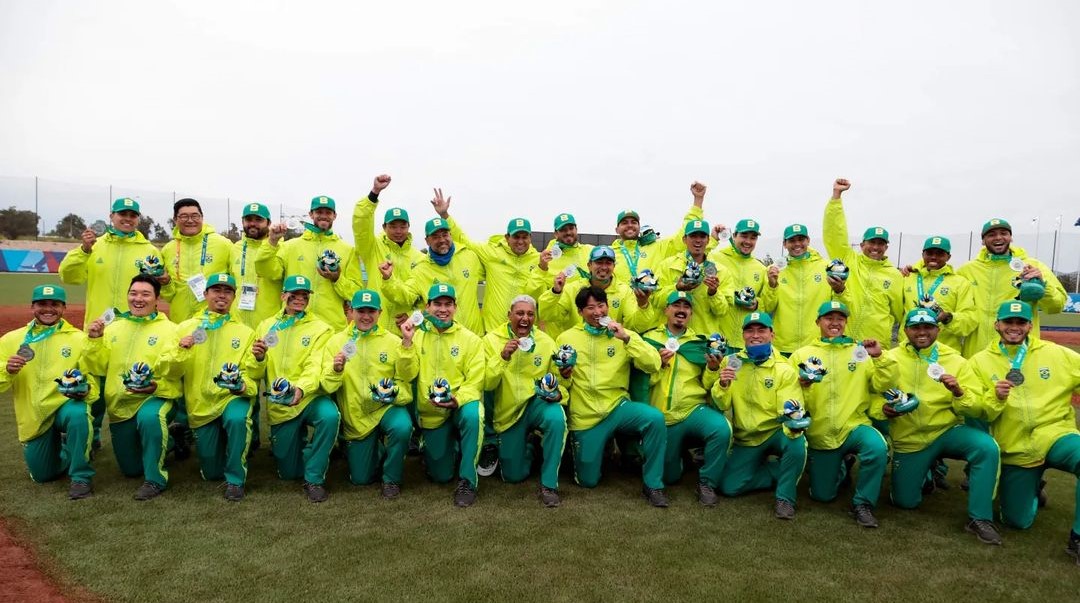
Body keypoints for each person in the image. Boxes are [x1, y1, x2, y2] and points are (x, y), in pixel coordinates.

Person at [871, 307, 1003, 544]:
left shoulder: (956, 360)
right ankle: (926, 472)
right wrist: (882, 408)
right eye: (916, 327)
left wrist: (959, 393)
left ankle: (980, 518)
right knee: (904, 503)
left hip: (947, 431)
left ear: (937, 329)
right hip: (910, 438)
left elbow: (977, 407)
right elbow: (872, 396)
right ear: (906, 330)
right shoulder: (889, 358)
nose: (922, 333)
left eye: (928, 327)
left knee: (986, 447)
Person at [968, 301, 1080, 561]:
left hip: (1056, 433)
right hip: (1015, 446)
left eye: (1021, 323)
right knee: (1016, 521)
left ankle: (1077, 538)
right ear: (997, 324)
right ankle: (1033, 488)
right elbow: (975, 409)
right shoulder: (979, 362)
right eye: (1008, 322)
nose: (1014, 328)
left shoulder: (1056, 353)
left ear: (1030, 325)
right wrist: (994, 397)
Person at [58, 197, 171, 448]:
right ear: (112, 216)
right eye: (122, 214)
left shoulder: (149, 250)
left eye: (132, 215)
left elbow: (160, 286)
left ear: (138, 219)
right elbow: (69, 276)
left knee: (136, 381)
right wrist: (83, 250)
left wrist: (165, 280)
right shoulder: (94, 246)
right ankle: (93, 436)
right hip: (100, 328)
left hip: (136, 328)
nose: (127, 218)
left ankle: (143, 433)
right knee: (94, 385)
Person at [556, 286, 668, 507]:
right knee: (588, 481)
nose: (597, 311)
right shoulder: (566, 338)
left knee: (655, 419)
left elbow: (654, 363)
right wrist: (564, 375)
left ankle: (653, 484)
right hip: (586, 416)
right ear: (580, 312)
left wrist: (626, 338)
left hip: (618, 407)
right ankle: (593, 448)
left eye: (600, 305)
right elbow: (559, 383)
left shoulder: (622, 333)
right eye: (590, 307)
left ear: (608, 306)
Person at [83, 274, 184, 500]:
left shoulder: (171, 330)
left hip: (156, 396)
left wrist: (156, 387)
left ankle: (155, 480)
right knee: (131, 470)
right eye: (134, 293)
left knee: (150, 419)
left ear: (157, 299)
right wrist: (95, 341)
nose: (138, 299)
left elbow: (175, 372)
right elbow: (97, 367)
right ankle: (173, 439)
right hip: (120, 403)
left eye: (146, 294)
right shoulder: (113, 328)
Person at [789, 301, 889, 528]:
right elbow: (789, 395)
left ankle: (863, 504)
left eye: (840, 318)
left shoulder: (860, 352)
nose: (835, 323)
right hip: (820, 432)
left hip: (854, 425)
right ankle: (841, 468)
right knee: (822, 496)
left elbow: (881, 385)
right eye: (828, 318)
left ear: (846, 322)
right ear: (817, 322)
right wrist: (801, 386)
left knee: (877, 447)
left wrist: (879, 358)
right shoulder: (801, 355)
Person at [247, 275, 338, 502]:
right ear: (282, 296)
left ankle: (314, 478)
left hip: (309, 397)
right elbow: (256, 372)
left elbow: (315, 366)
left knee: (329, 415)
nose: (299, 300)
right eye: (294, 295)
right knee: (289, 473)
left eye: (304, 296)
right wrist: (258, 359)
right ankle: (304, 451)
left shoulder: (321, 328)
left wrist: (301, 389)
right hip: (280, 404)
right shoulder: (266, 326)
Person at [0, 285, 96, 499]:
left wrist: (86, 391)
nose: (48, 309)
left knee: (79, 413)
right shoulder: (11, 340)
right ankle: (64, 448)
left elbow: (90, 378)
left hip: (65, 406)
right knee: (43, 475)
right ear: (32, 306)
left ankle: (81, 478)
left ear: (64, 308)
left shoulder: (79, 339)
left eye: (55, 304)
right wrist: (6, 370)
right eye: (42, 304)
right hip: (34, 415)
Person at [710, 311, 808, 520]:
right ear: (743, 335)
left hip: (775, 431)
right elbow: (721, 403)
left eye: (761, 330)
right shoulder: (731, 360)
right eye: (750, 331)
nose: (755, 335)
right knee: (728, 486)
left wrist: (791, 419)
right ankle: (777, 471)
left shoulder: (784, 369)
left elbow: (789, 406)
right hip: (746, 437)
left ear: (772, 334)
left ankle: (785, 498)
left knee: (796, 441)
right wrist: (723, 384)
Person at [322, 289, 419, 499]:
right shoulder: (335, 342)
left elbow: (407, 377)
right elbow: (327, 386)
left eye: (371, 311)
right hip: (357, 416)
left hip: (386, 409)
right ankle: (375, 451)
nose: (366, 316)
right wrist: (336, 370)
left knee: (402, 426)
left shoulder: (393, 341)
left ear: (380, 312)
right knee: (360, 479)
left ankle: (391, 479)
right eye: (361, 311)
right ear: (351, 311)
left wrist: (408, 344)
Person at [642, 291, 731, 506]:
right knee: (671, 477)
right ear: (666, 310)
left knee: (721, 428)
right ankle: (678, 457)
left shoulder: (699, 344)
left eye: (686, 307)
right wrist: (659, 365)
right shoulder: (649, 340)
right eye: (676, 305)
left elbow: (708, 385)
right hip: (662, 416)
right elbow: (640, 382)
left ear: (690, 314)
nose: (681, 310)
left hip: (692, 409)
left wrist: (712, 368)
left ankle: (707, 483)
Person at [174, 273, 258, 501]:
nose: (222, 295)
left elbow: (252, 373)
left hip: (232, 397)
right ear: (205, 294)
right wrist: (181, 349)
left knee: (237, 419)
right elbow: (170, 371)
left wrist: (243, 387)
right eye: (216, 290)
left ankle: (235, 479)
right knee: (211, 473)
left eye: (227, 291)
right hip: (200, 403)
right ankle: (220, 453)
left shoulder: (245, 332)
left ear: (233, 296)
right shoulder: (185, 328)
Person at [481, 295, 568, 507]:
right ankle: (530, 446)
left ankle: (549, 485)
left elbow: (559, 381)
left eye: (530, 314)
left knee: (557, 417)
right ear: (508, 315)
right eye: (519, 313)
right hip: (509, 412)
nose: (525, 318)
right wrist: (502, 357)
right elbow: (487, 384)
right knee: (512, 476)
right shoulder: (491, 340)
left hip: (537, 402)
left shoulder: (546, 342)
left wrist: (560, 394)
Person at [411, 283, 486, 507]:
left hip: (459, 404)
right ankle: (440, 447)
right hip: (431, 410)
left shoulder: (470, 339)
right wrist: (405, 342)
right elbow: (406, 373)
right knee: (440, 476)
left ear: (455, 307)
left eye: (448, 304)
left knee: (475, 414)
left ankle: (467, 480)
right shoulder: (416, 335)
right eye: (437, 304)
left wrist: (458, 400)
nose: (442, 309)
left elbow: (476, 380)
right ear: (428, 307)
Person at [431, 191, 548, 334]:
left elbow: (544, 298)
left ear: (530, 237)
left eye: (525, 237)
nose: (520, 241)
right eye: (516, 237)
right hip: (493, 331)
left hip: (524, 330)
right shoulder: (492, 252)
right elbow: (464, 240)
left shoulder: (539, 260)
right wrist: (445, 215)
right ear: (507, 237)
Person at [958, 218, 1068, 358]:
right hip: (978, 353)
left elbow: (1056, 307)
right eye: (991, 234)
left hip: (1020, 352)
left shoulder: (1032, 266)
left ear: (1010, 237)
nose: (998, 237)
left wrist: (1043, 285)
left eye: (1003, 233)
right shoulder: (967, 270)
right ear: (983, 240)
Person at [255, 196, 364, 331]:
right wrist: (271, 242)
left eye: (328, 213)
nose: (323, 216)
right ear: (311, 214)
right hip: (294, 325)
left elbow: (356, 294)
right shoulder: (290, 247)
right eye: (319, 212)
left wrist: (337, 279)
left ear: (335, 216)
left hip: (331, 327)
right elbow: (265, 271)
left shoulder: (347, 250)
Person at [822, 179, 904, 344]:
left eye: (880, 243)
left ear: (886, 247)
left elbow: (900, 314)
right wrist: (836, 197)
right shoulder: (848, 259)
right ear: (861, 245)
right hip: (844, 340)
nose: (875, 247)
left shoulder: (895, 276)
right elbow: (835, 232)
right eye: (871, 242)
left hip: (876, 345)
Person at [229, 202, 281, 454]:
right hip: (239, 327)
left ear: (268, 223)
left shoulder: (278, 248)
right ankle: (250, 439)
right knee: (244, 386)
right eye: (248, 219)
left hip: (271, 329)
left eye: (258, 220)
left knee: (274, 385)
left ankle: (279, 437)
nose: (253, 224)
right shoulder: (234, 249)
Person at [381, 215, 486, 336]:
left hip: (473, 336)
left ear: (450, 235)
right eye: (435, 236)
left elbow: (494, 274)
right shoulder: (421, 270)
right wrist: (388, 279)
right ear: (427, 241)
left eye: (444, 235)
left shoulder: (469, 257)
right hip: (441, 337)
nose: (441, 240)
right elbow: (405, 296)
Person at [352, 174, 427, 335]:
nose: (398, 231)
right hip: (375, 327)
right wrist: (374, 193)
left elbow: (423, 299)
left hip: (407, 331)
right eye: (393, 226)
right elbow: (361, 224)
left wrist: (413, 318)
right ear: (384, 227)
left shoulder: (421, 259)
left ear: (409, 227)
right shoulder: (372, 247)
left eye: (402, 226)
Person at [760, 224, 846, 356]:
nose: (797, 244)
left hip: (816, 344)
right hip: (783, 345)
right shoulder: (774, 270)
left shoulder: (826, 268)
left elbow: (839, 304)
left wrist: (840, 289)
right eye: (792, 241)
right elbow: (767, 307)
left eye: (801, 239)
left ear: (808, 240)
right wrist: (772, 286)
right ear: (784, 244)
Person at [539, 246, 661, 337]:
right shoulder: (572, 289)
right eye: (599, 262)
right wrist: (555, 292)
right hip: (579, 349)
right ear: (589, 265)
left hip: (611, 354)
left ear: (614, 266)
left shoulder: (624, 291)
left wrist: (643, 304)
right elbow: (548, 315)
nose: (603, 267)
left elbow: (636, 326)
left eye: (608, 263)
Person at [610, 182, 708, 285]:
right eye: (624, 223)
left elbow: (683, 235)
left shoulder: (657, 247)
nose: (630, 225)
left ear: (639, 227)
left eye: (634, 222)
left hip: (650, 300)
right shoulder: (609, 254)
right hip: (622, 301)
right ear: (617, 229)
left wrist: (698, 200)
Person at [655, 219, 733, 335]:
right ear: (684, 239)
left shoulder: (721, 271)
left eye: (702, 236)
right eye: (693, 236)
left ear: (708, 240)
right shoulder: (667, 265)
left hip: (703, 339)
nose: (698, 240)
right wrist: (677, 288)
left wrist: (713, 293)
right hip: (672, 338)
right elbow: (655, 301)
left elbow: (722, 311)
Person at [161, 198, 234, 322]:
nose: (190, 220)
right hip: (180, 321)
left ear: (202, 217)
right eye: (184, 216)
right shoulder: (168, 250)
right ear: (175, 219)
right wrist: (166, 283)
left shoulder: (223, 244)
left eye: (195, 216)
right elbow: (168, 295)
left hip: (214, 320)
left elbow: (234, 281)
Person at [899, 236, 976, 352]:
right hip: (909, 349)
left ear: (948, 257)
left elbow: (970, 319)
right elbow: (896, 309)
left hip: (943, 351)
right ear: (922, 254)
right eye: (929, 253)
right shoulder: (908, 277)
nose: (934, 257)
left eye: (940, 254)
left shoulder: (960, 283)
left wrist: (948, 318)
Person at [707, 218, 768, 353]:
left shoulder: (761, 268)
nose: (748, 241)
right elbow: (696, 258)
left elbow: (766, 303)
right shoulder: (716, 258)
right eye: (744, 236)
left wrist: (756, 304)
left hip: (744, 342)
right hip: (717, 338)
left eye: (753, 238)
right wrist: (713, 239)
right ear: (734, 236)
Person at [538, 213, 594, 280]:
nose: (568, 232)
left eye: (571, 228)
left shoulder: (591, 251)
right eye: (563, 230)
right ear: (556, 234)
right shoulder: (546, 260)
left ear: (576, 229)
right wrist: (542, 269)